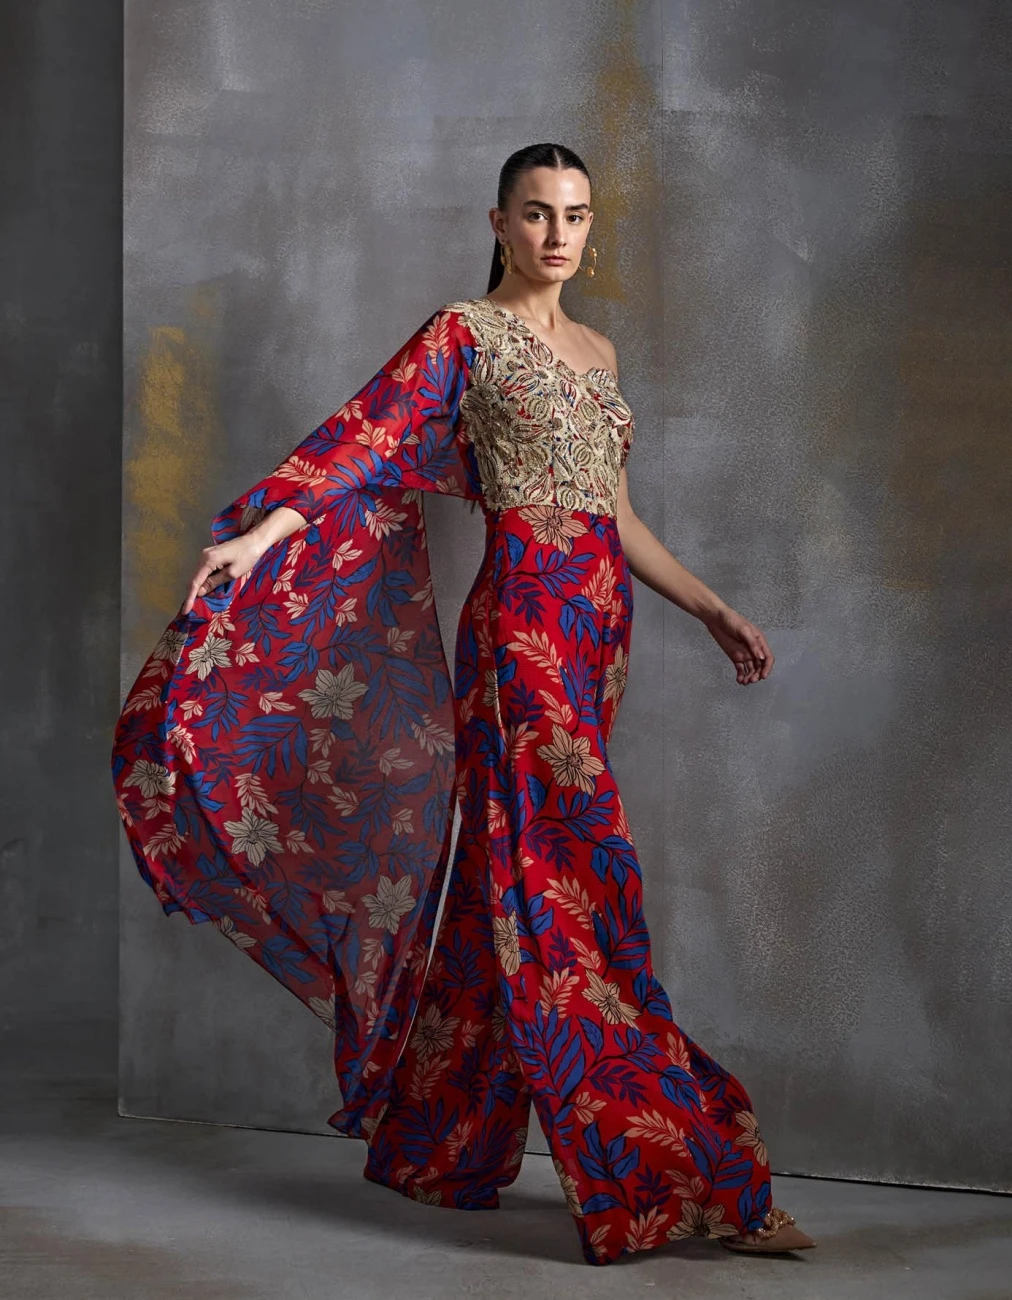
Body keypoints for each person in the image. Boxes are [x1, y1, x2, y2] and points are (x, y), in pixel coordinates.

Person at [111, 142, 816, 1266]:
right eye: (536, 213)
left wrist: (710, 608)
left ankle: (438, 1144)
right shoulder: (464, 335)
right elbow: (366, 436)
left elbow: (614, 513)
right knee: (574, 881)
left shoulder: (599, 351)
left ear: (592, 227)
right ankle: (683, 1175)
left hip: (597, 639)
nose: (557, 234)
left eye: (575, 215)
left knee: (511, 878)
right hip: (520, 633)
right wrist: (257, 537)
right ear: (497, 223)